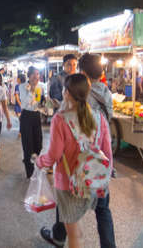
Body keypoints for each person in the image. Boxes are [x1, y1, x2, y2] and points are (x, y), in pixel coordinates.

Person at [41, 54, 116, 248]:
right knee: (101, 214)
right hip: (95, 176)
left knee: (74, 234)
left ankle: (58, 237)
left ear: (66, 93)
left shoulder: (61, 119)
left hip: (69, 182)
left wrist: (41, 161)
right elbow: (108, 151)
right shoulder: (99, 117)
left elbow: (55, 155)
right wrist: (105, 175)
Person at [19, 66, 44, 178]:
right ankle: (30, 172)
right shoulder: (22, 87)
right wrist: (31, 90)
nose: (36, 76)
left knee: (38, 143)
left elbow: (37, 103)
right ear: (29, 75)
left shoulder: (40, 87)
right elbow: (24, 104)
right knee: (27, 144)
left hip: (36, 115)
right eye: (34, 74)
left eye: (38, 74)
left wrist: (45, 105)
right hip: (26, 116)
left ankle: (31, 160)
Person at [14, 74, 25, 138]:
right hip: (22, 105)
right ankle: (22, 131)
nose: (17, 80)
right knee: (21, 119)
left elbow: (17, 97)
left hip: (20, 105)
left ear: (20, 79)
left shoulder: (17, 86)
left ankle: (21, 131)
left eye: (17, 78)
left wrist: (21, 105)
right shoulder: (26, 85)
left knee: (21, 119)